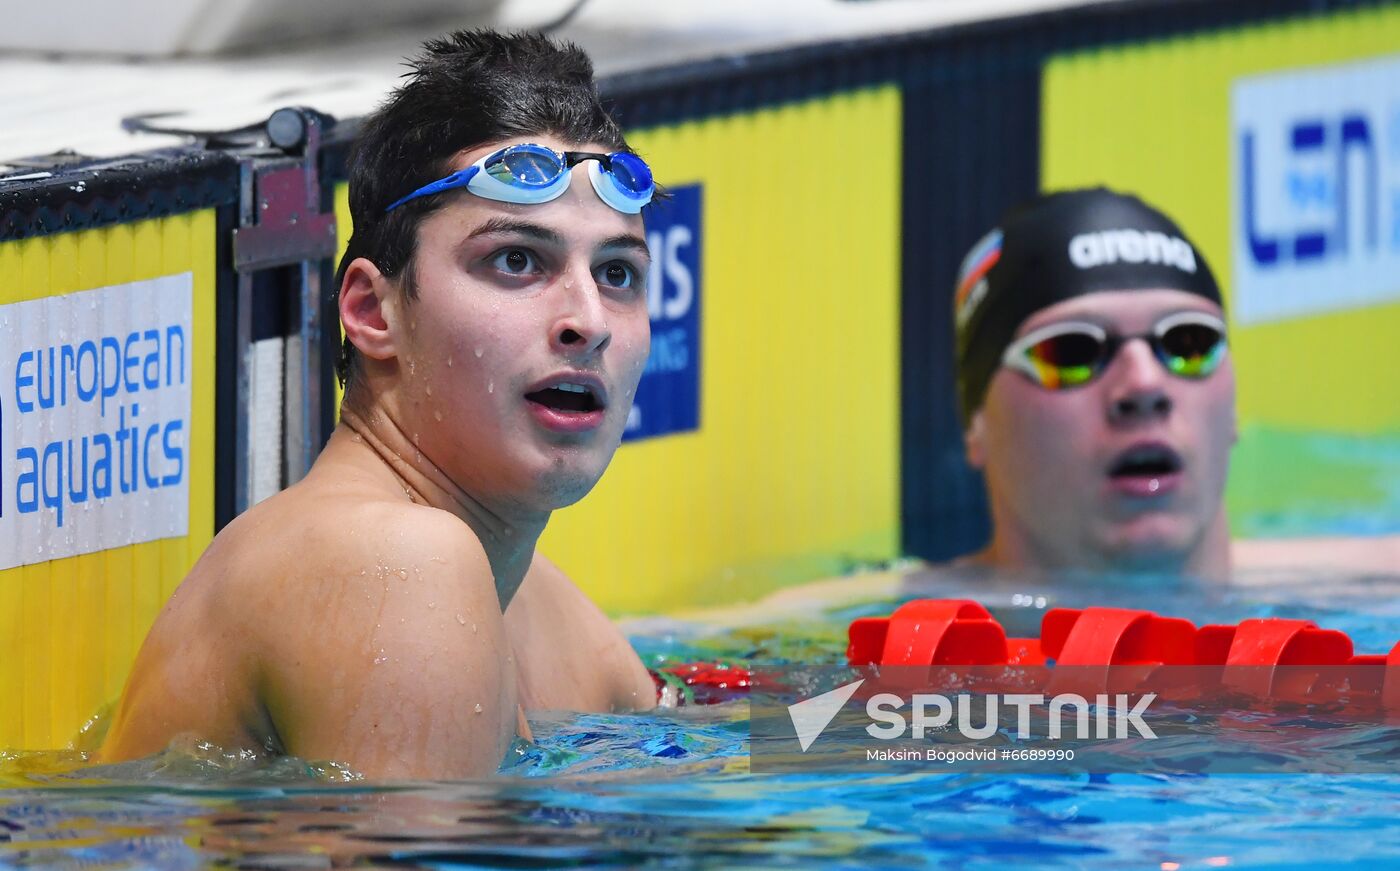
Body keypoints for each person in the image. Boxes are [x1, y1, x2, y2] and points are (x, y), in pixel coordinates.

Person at [100, 30, 659, 778]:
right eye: (517, 260)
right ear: (372, 310)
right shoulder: (396, 566)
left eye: (618, 272)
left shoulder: (531, 598)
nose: (587, 320)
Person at [950, 187, 1399, 579]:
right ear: (975, 424)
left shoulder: (1379, 591)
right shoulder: (896, 635)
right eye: (1071, 352)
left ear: (1235, 407)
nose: (1145, 386)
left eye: (1190, 343)